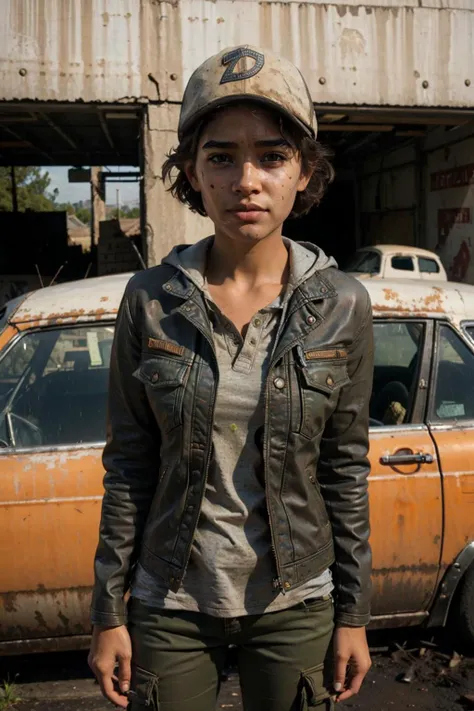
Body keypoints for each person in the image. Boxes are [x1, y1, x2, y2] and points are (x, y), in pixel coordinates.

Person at [88, 45, 374, 711]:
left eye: (271, 156)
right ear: (192, 170)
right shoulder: (151, 298)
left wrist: (355, 612)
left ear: (304, 171)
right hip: (170, 603)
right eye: (221, 156)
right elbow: (129, 462)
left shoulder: (342, 304)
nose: (246, 178)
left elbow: (345, 467)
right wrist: (108, 611)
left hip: (296, 602)